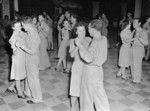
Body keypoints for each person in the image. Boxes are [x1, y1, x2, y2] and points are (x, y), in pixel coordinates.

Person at [75, 19, 110, 111]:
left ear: (93, 29)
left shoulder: (94, 43)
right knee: (100, 95)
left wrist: (80, 46)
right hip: (99, 70)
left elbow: (88, 58)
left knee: (86, 97)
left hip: (90, 71)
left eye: (89, 28)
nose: (88, 30)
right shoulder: (103, 39)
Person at [16, 20, 42, 104]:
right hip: (28, 59)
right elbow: (25, 36)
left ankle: (37, 98)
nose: (22, 27)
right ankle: (29, 92)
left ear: (28, 25)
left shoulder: (35, 36)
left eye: (23, 25)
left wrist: (22, 46)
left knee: (34, 79)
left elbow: (32, 51)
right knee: (29, 78)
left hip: (33, 59)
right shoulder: (30, 32)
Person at [69, 21, 91, 111]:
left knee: (86, 89)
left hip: (87, 66)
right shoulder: (72, 41)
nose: (82, 33)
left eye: (83, 30)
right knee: (75, 88)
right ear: (76, 32)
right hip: (77, 66)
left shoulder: (89, 39)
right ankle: (73, 107)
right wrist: (78, 46)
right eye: (80, 31)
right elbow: (71, 55)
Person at [5, 21, 27, 99]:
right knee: (18, 76)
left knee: (20, 73)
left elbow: (25, 36)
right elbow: (14, 53)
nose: (19, 28)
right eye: (17, 27)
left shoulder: (21, 33)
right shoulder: (13, 38)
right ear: (13, 28)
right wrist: (18, 46)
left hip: (22, 56)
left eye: (20, 26)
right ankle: (19, 93)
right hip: (17, 58)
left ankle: (11, 87)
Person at [131, 18, 148, 84]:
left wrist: (139, 38)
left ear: (139, 23)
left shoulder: (142, 32)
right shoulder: (134, 31)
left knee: (137, 65)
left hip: (139, 50)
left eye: (135, 22)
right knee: (132, 64)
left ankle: (137, 80)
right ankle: (134, 78)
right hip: (133, 48)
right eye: (133, 22)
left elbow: (146, 43)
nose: (133, 24)